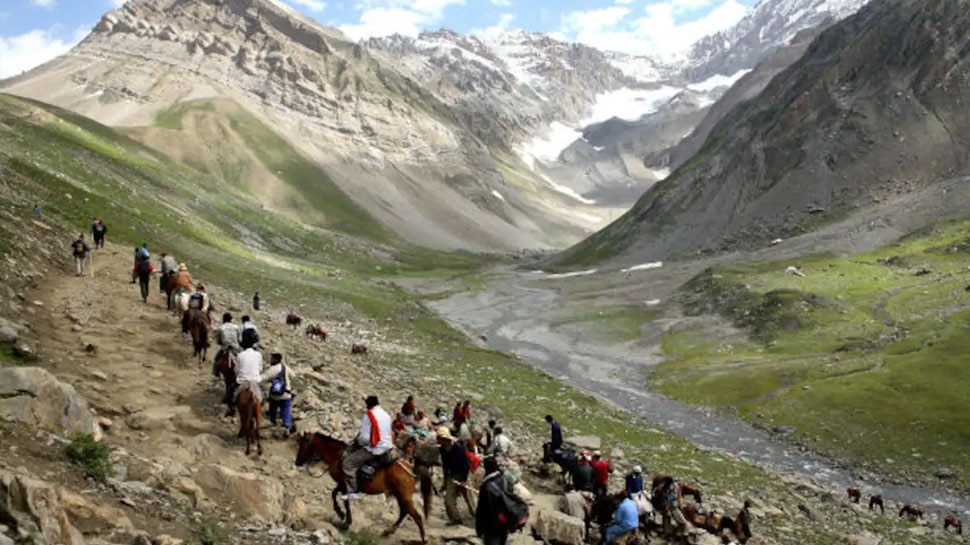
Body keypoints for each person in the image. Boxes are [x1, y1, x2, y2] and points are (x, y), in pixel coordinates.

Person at [341, 395, 393, 501]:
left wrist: (358, 442)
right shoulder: (386, 415)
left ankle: (353, 491)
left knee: (348, 463)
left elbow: (364, 437)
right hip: (387, 446)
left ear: (368, 404)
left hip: (375, 449)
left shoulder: (369, 415)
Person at [437, 426, 472, 525]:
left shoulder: (458, 448)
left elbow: (465, 465)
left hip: (463, 474)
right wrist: (445, 480)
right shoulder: (443, 449)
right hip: (452, 476)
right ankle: (456, 519)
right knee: (449, 499)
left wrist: (464, 480)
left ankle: (478, 518)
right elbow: (445, 465)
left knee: (470, 499)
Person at [476, 457, 511, 545]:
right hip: (504, 520)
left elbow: (482, 509)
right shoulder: (505, 479)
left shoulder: (487, 486)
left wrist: (479, 528)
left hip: (491, 524)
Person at [260, 352, 297, 435]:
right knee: (286, 410)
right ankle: (286, 426)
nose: (270, 360)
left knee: (273, 408)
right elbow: (293, 375)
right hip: (286, 394)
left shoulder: (272, 369)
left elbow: (262, 378)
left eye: (272, 358)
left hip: (275, 395)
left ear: (276, 359)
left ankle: (272, 422)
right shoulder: (286, 368)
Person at [228, 344, 263, 418]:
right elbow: (260, 369)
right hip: (255, 381)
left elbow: (236, 370)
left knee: (231, 391)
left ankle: (231, 408)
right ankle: (261, 407)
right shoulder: (258, 355)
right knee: (265, 393)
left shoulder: (240, 355)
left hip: (242, 381)